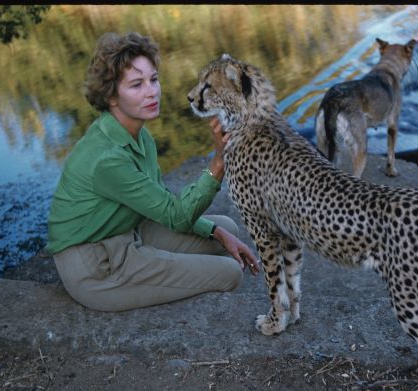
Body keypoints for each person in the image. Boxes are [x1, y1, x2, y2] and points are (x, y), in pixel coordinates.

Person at [45, 31, 259, 312]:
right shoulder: (108, 159)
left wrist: (216, 232)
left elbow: (164, 207)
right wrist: (219, 161)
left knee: (226, 230)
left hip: (130, 228)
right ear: (111, 97)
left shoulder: (139, 136)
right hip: (98, 266)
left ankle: (166, 256)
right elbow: (175, 214)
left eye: (154, 80)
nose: (152, 91)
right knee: (230, 272)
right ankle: (147, 266)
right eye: (137, 85)